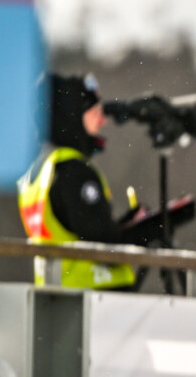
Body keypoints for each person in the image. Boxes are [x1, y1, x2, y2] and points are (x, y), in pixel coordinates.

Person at [17, 73, 167, 290]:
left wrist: (125, 223)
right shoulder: (72, 170)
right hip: (96, 300)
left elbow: (76, 231)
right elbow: (104, 247)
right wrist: (151, 231)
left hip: (56, 295)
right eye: (94, 111)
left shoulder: (35, 172)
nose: (102, 120)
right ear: (71, 115)